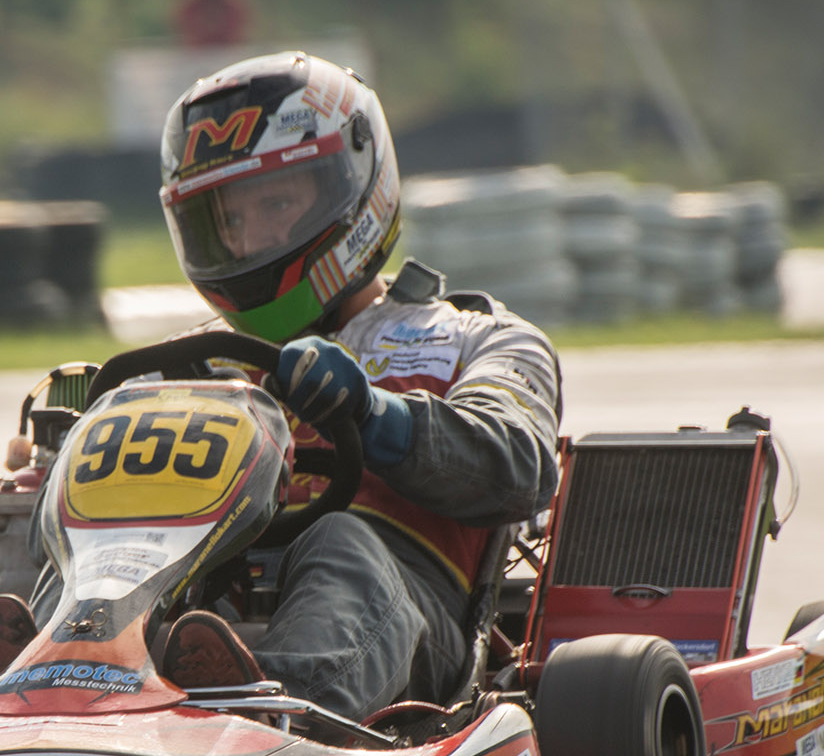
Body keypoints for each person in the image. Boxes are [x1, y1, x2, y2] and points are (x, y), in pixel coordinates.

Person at [136, 49, 563, 721]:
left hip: (408, 618)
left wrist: (376, 414)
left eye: (275, 202)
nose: (250, 240)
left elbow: (520, 462)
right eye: (230, 220)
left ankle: (277, 719)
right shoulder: (192, 367)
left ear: (353, 181)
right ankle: (44, 688)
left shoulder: (474, 339)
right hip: (211, 603)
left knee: (340, 541)